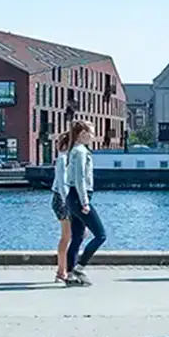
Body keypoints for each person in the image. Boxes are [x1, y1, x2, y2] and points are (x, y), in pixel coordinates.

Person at [63, 121, 106, 285]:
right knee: (101, 235)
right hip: (80, 196)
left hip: (72, 197)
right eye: (91, 133)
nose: (93, 137)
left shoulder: (73, 151)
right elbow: (80, 178)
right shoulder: (81, 152)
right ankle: (80, 268)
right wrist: (85, 203)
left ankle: (70, 274)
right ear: (82, 134)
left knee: (78, 237)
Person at [50, 124, 76, 283]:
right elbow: (62, 183)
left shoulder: (66, 158)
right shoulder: (63, 159)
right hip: (62, 199)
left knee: (70, 235)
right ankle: (61, 271)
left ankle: (64, 269)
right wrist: (69, 203)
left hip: (63, 198)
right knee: (66, 236)